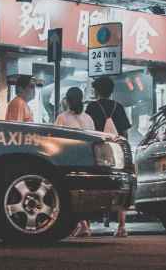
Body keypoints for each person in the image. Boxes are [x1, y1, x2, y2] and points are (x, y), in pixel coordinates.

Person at [85, 76, 132, 237]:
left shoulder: (91, 107)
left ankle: (87, 226)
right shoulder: (118, 107)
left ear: (97, 90)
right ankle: (122, 226)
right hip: (116, 150)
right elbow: (125, 132)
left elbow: (88, 129)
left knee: (93, 186)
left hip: (98, 150)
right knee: (120, 186)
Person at [54, 87, 92, 238]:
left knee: (70, 193)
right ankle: (84, 225)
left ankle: (82, 225)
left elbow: (55, 139)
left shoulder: (62, 118)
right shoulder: (88, 118)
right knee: (83, 193)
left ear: (67, 100)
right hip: (88, 160)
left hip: (69, 160)